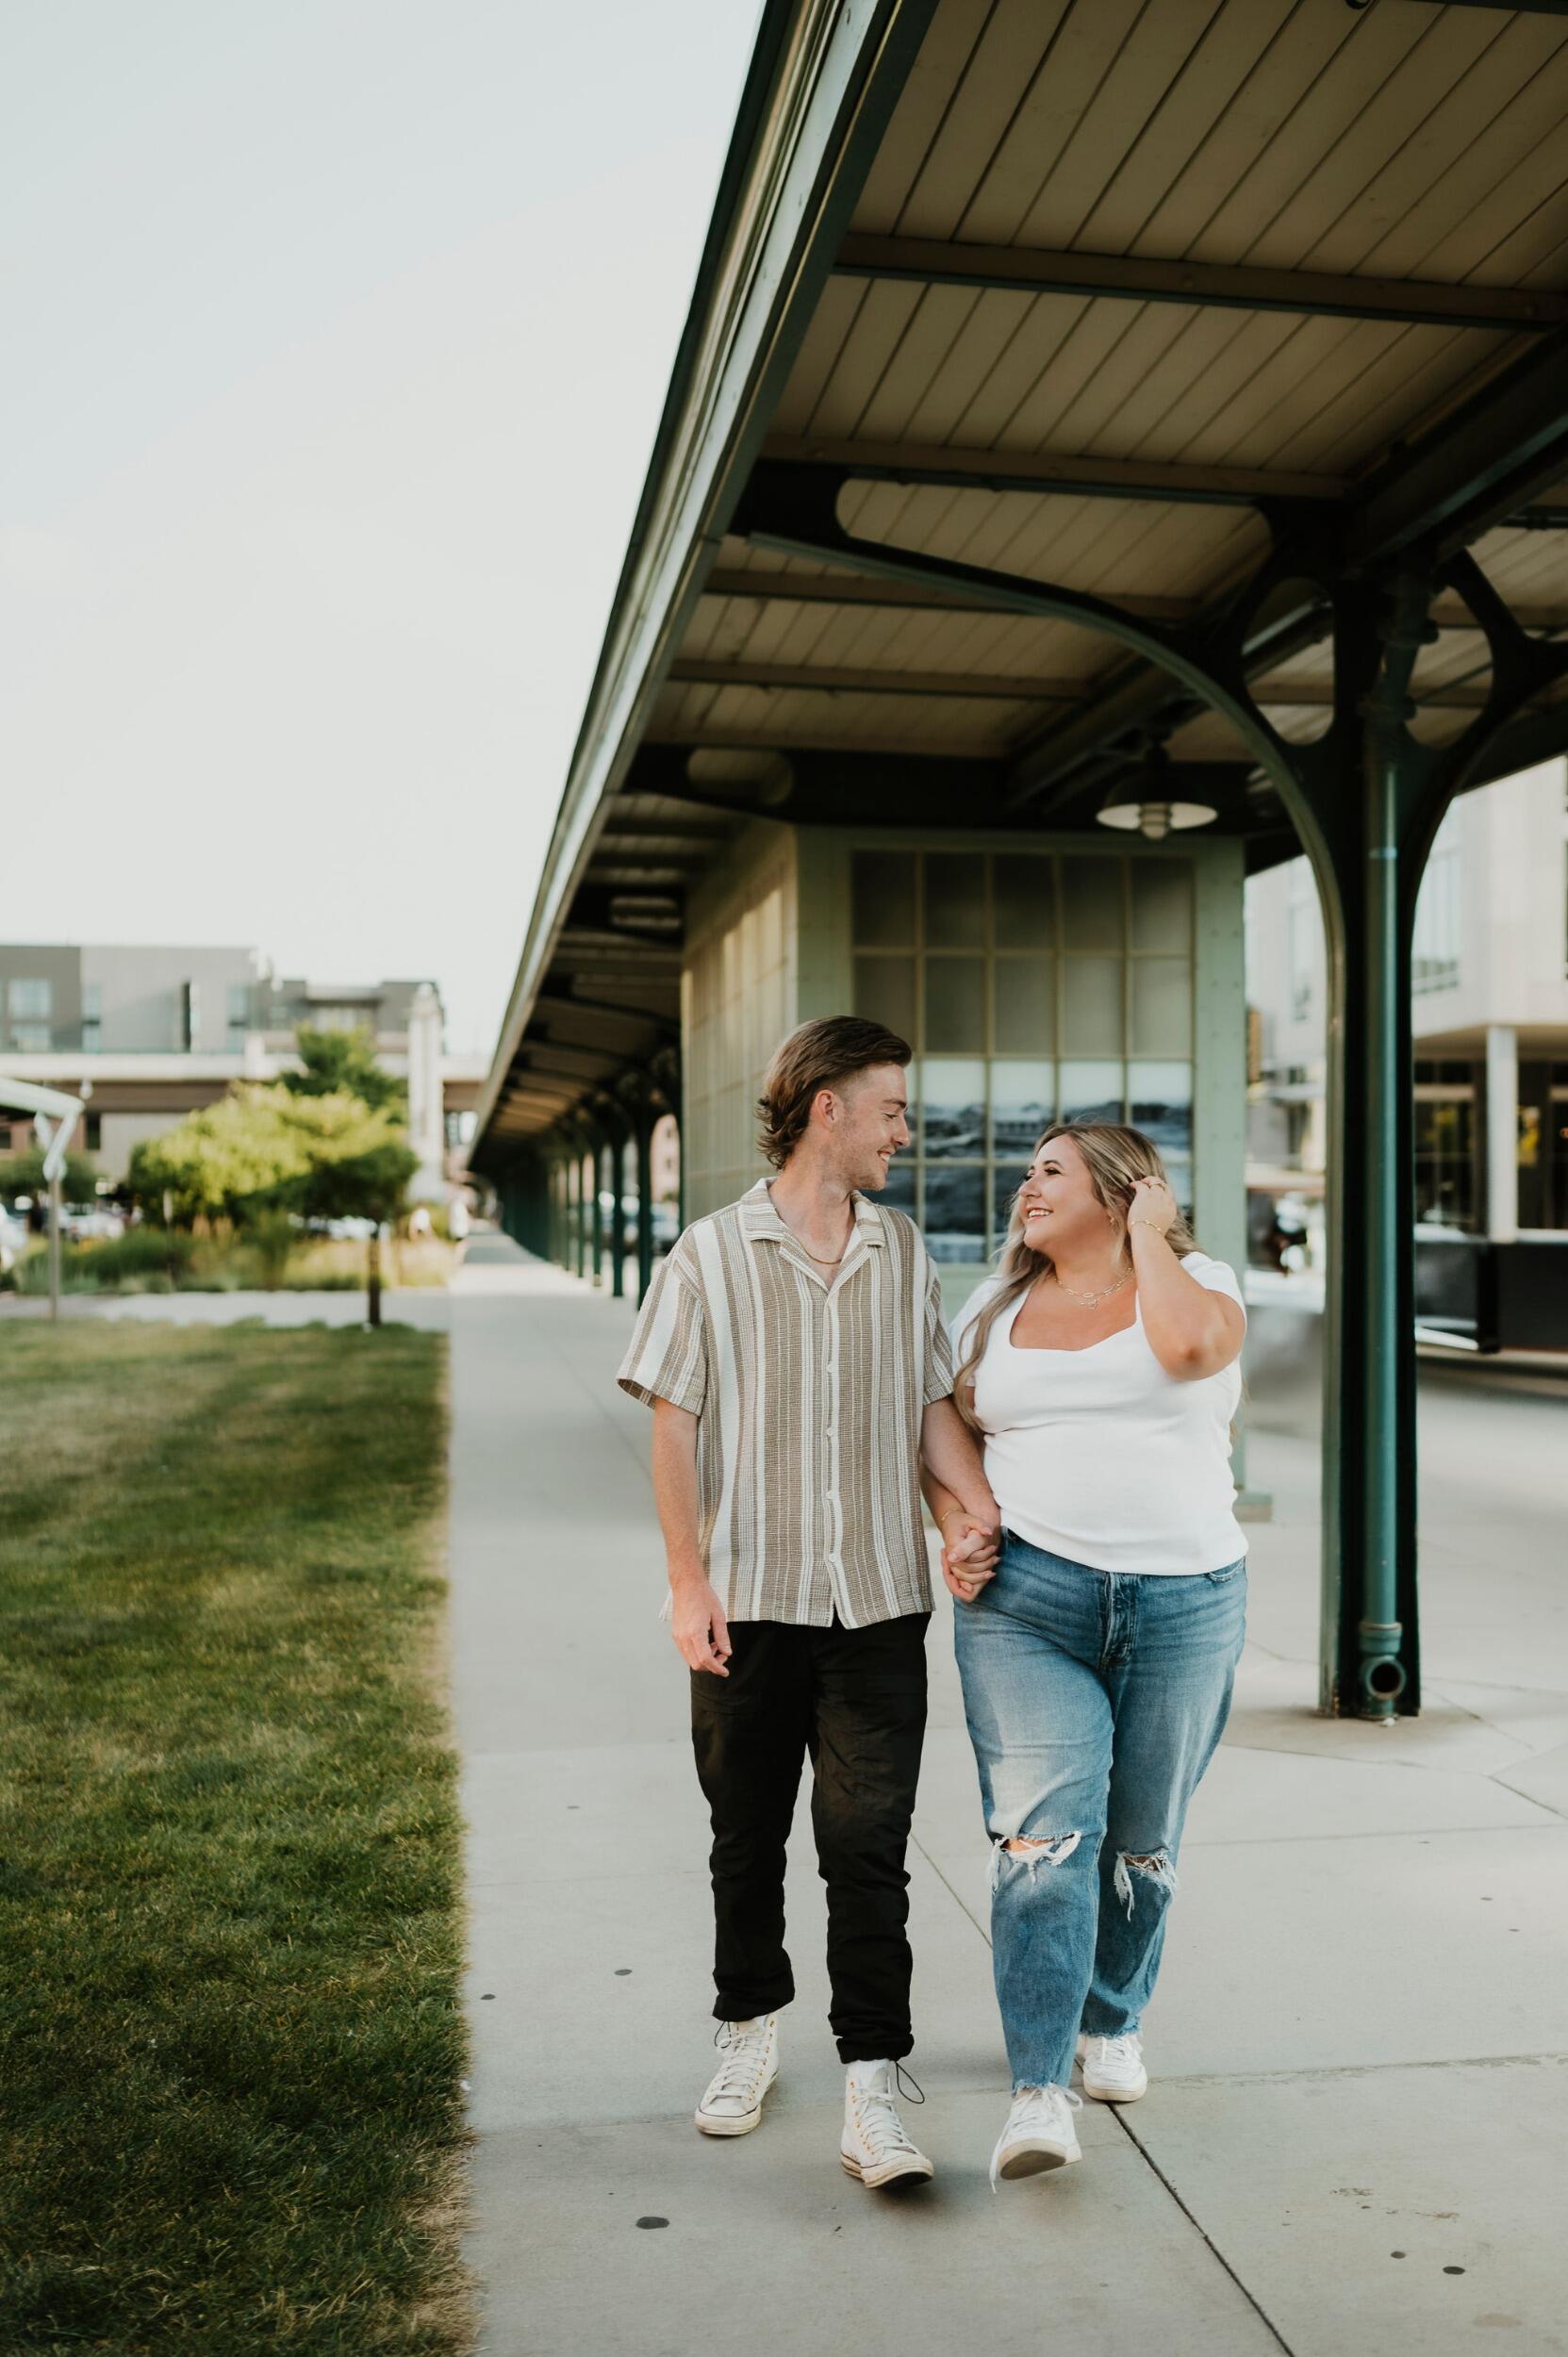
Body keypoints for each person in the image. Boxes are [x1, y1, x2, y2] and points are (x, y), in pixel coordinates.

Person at [618, 1016, 998, 2191]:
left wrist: (971, 1515)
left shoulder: (902, 1250)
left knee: (867, 1851)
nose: (902, 1130)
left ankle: (874, 2089)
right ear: (825, 1106)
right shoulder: (709, 1255)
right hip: (751, 1603)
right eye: (889, 1108)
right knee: (747, 1838)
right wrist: (688, 1580)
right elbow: (670, 1416)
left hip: (878, 1603)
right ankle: (745, 2029)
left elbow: (930, 1400)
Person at [922, 1123, 1246, 2188]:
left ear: (1121, 1190)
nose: (1026, 1187)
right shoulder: (994, 1308)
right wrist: (958, 1514)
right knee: (1042, 1842)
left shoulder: (1197, 1280)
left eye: (1050, 1171)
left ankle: (1112, 2018)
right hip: (1027, 1602)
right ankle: (1036, 2090)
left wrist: (1151, 1234)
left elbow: (1191, 1350)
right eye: (1027, 1171)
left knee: (1141, 1838)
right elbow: (943, 1422)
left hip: (1185, 1599)